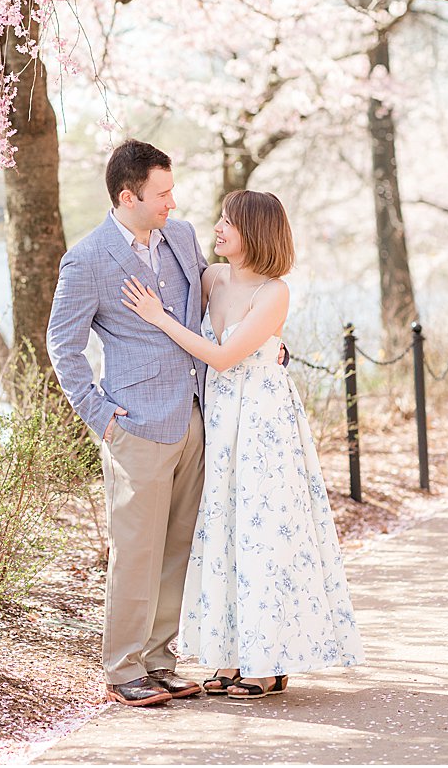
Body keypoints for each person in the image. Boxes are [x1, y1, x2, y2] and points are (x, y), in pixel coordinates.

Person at [120, 189, 362, 699]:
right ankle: (230, 655)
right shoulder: (212, 278)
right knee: (226, 530)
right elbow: (198, 337)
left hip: (262, 423)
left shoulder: (274, 291)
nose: (217, 229)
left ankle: (269, 662)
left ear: (254, 231)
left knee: (265, 533)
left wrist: (157, 316)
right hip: (221, 420)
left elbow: (225, 355)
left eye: (228, 222)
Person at [47, 140, 209, 706]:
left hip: (194, 417)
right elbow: (62, 347)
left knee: (177, 547)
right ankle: (122, 670)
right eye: (161, 193)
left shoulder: (184, 237)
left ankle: (160, 661)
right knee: (136, 550)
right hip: (135, 425)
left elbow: (214, 306)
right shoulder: (87, 259)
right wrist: (100, 415)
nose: (172, 201)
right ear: (127, 196)